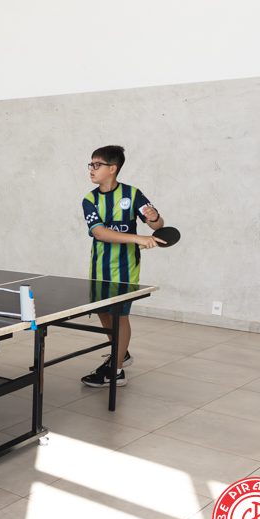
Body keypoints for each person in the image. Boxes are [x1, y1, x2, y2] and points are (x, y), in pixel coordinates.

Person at [80, 145, 166, 387]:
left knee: (119, 315)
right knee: (103, 312)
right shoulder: (90, 200)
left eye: (97, 164)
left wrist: (154, 218)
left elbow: (157, 226)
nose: (91, 169)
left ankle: (116, 371)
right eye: (91, 164)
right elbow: (99, 233)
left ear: (112, 168)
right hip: (99, 267)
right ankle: (121, 353)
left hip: (126, 268)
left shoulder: (133, 194)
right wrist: (139, 238)